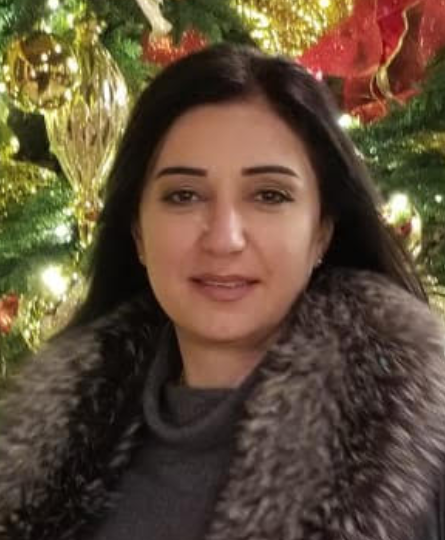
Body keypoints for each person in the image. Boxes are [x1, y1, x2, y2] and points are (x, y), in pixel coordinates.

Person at [0, 42, 445, 540]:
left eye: (269, 195)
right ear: (138, 232)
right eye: (184, 196)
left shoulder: (426, 454)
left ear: (321, 231)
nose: (224, 238)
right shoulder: (33, 464)